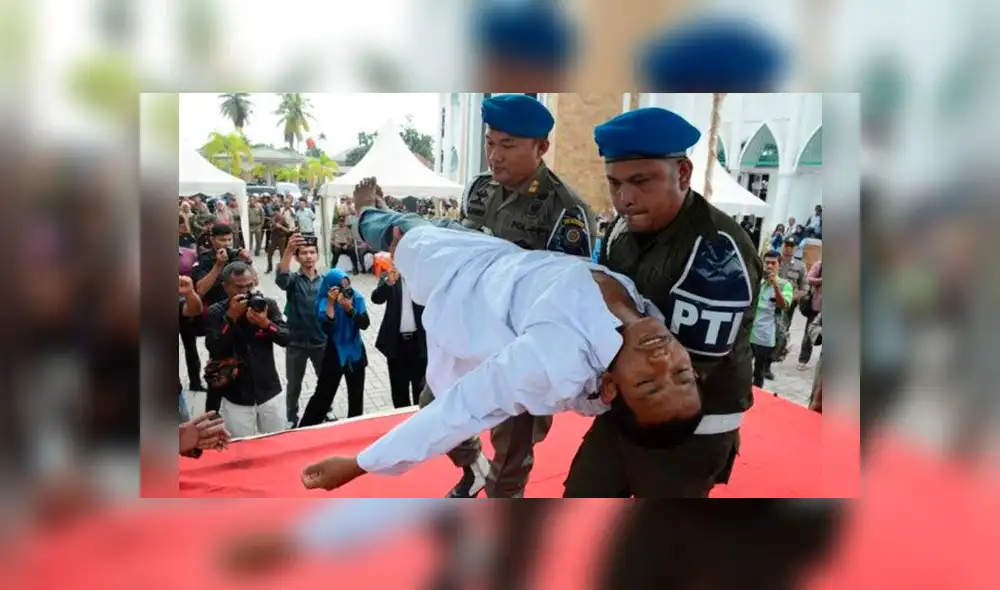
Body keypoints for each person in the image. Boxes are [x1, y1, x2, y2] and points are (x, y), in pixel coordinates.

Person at [299, 200, 702, 493]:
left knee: (381, 226)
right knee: (403, 223)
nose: (663, 360)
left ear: (612, 388)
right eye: (682, 373)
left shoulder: (554, 360)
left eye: (650, 383)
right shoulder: (653, 319)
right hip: (485, 248)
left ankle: (368, 210)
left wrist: (359, 464)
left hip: (451, 269)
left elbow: (460, 410)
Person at [563, 107, 762, 498]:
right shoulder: (624, 225)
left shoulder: (717, 249)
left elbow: (682, 372)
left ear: (683, 173)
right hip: (627, 399)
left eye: (640, 181)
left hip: (690, 421)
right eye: (615, 183)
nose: (625, 199)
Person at [420, 93, 598, 499]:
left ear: (541, 148)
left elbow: (571, 298)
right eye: (490, 142)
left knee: (511, 456)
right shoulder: (481, 190)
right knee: (433, 408)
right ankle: (472, 470)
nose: (494, 156)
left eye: (508, 145)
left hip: (522, 348)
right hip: (471, 333)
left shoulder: (566, 212)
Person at [204, 262, 290, 437]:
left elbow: (287, 338)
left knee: (278, 442)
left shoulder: (267, 305)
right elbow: (216, 349)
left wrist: (266, 324)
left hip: (269, 391)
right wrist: (230, 319)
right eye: (239, 287)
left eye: (249, 285)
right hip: (237, 395)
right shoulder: (216, 312)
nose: (245, 291)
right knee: (243, 449)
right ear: (226, 287)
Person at [297, 269, 371, 426]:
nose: (345, 290)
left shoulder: (356, 297)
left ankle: (355, 428)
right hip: (334, 352)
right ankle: (307, 427)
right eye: (340, 287)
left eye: (347, 285)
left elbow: (364, 324)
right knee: (323, 395)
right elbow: (328, 329)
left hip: (355, 351)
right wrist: (331, 303)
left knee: (356, 397)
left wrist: (350, 309)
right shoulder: (323, 301)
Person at [276, 233, 327, 427]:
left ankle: (325, 411)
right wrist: (288, 250)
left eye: (312, 252)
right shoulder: (294, 281)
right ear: (297, 258)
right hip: (296, 342)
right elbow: (281, 280)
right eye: (304, 253)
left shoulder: (325, 281)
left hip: (321, 341)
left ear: (317, 256)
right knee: (294, 384)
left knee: (324, 381)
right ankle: (291, 417)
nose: (308, 256)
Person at [371, 264, 427, 409]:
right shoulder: (388, 277)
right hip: (396, 342)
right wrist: (388, 283)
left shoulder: (421, 278)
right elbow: (376, 299)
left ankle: (419, 422)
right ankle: (402, 422)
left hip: (419, 342)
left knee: (420, 389)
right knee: (399, 390)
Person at [750, 251, 792, 388]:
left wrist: (775, 285)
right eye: (767, 262)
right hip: (748, 335)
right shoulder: (757, 281)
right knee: (739, 369)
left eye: (773, 263)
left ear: (779, 265)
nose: (769, 266)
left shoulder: (785, 285)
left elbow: (784, 305)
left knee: (759, 373)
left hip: (765, 338)